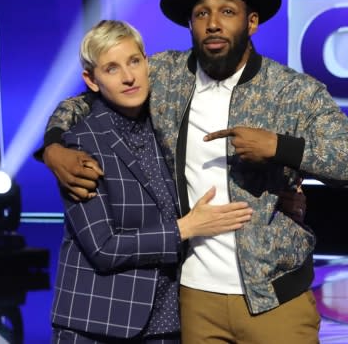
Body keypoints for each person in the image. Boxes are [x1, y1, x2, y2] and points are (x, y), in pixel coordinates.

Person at [43, 0, 348, 344]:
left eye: (227, 11)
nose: (213, 22)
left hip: (273, 298)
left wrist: (280, 147)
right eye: (201, 13)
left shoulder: (292, 91)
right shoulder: (168, 76)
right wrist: (54, 147)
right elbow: (84, 101)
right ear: (190, 24)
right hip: (194, 298)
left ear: (251, 21)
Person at [50, 19, 254, 344]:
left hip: (170, 321)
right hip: (101, 324)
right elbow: (103, 248)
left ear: (148, 63)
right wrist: (185, 228)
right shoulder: (81, 144)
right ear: (91, 79)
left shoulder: (167, 126)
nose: (129, 77)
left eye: (133, 61)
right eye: (111, 68)